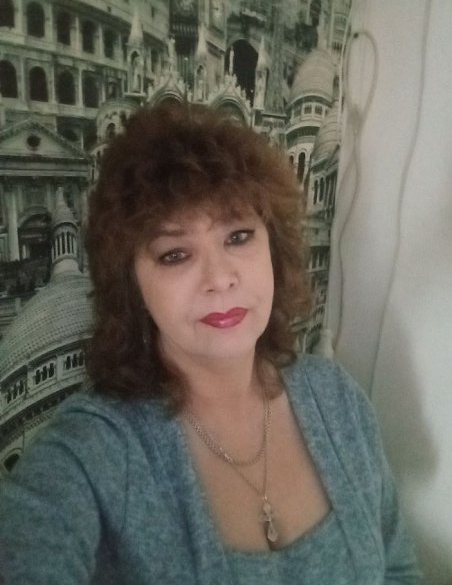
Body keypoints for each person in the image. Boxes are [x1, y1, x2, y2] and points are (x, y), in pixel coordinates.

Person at [0, 103, 420, 584]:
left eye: (238, 236)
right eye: (175, 254)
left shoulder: (338, 397)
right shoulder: (93, 454)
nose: (220, 279)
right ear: (133, 284)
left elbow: (397, 568)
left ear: (273, 247)